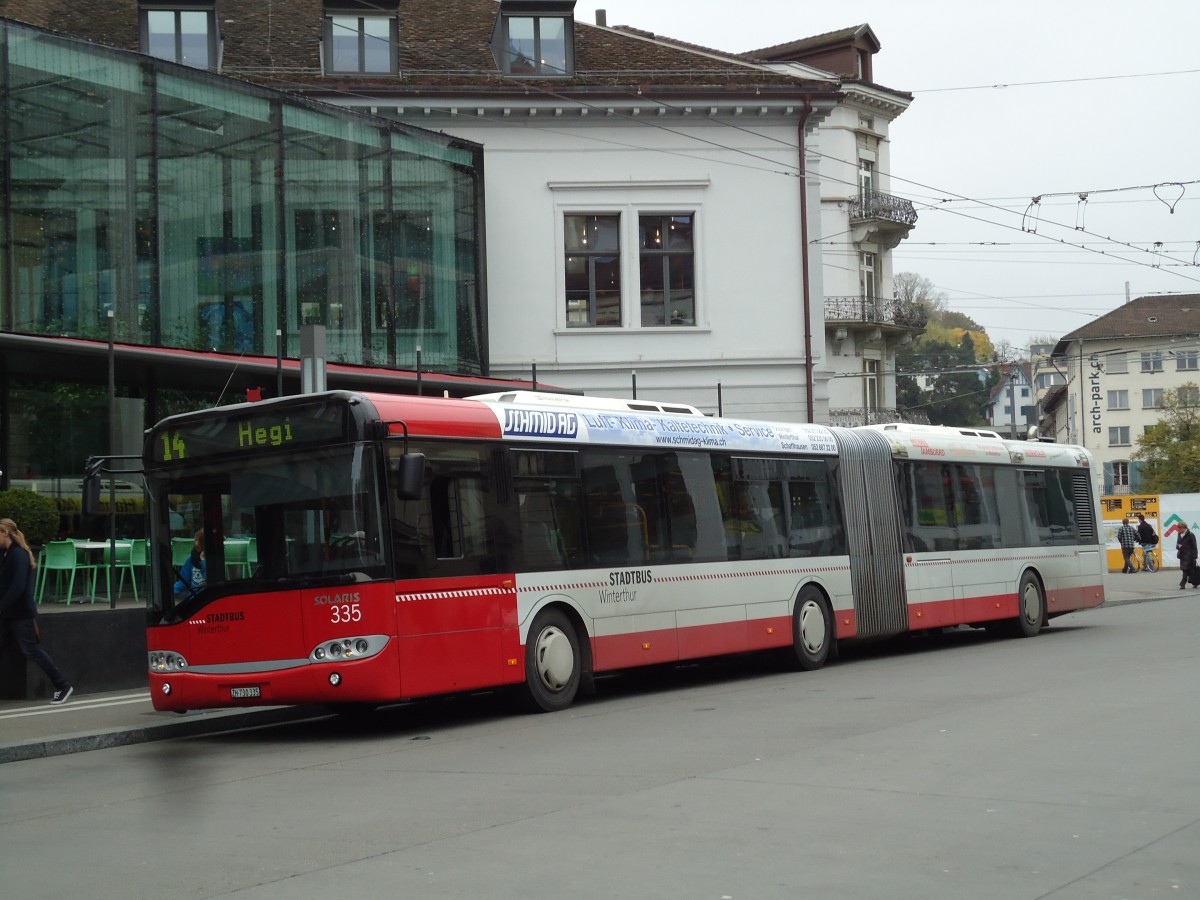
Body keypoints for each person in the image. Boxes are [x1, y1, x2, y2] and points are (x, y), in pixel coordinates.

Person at [0, 517, 74, 704]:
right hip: (8, 613)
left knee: (31, 650)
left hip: (20, 614)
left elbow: (18, 587)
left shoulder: (18, 555)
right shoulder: (7, 553)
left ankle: (63, 685)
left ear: (4, 533)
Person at [174, 528, 207, 595]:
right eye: (195, 540)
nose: (196, 543)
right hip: (194, 599)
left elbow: (209, 578)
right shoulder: (192, 559)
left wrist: (203, 560)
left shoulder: (214, 560)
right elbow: (184, 581)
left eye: (200, 541)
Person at [1176, 522, 1198, 590]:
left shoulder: (1191, 535)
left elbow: (1194, 546)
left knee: (1189, 570)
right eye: (1179, 528)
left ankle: (1184, 584)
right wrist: (1178, 546)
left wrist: (1195, 555)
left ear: (1184, 527)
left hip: (1190, 555)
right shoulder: (1179, 534)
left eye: (1180, 528)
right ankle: (1193, 583)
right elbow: (1177, 544)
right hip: (1182, 555)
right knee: (1186, 570)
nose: (1179, 529)